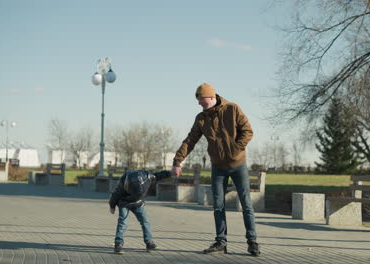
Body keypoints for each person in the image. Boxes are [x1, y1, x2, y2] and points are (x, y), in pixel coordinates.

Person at [172, 83, 261, 256]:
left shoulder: (232, 109)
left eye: (201, 100)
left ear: (211, 97)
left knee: (246, 204)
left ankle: (252, 242)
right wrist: (177, 162)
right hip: (218, 167)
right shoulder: (201, 118)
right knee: (218, 206)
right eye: (198, 100)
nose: (199, 104)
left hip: (238, 165)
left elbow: (248, 131)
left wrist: (236, 149)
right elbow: (190, 141)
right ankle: (221, 242)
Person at [109, 169, 171, 254]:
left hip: (138, 203)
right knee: (123, 222)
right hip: (124, 203)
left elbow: (158, 175)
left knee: (145, 221)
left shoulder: (147, 176)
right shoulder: (123, 181)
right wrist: (112, 206)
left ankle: (149, 243)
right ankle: (118, 244)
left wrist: (170, 173)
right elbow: (115, 194)